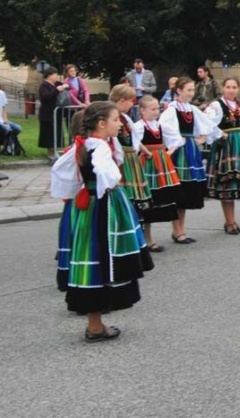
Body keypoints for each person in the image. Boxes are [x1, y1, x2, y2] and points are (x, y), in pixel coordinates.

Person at [49, 101, 154, 342]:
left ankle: (95, 324)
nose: (120, 124)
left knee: (91, 261)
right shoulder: (100, 148)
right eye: (116, 120)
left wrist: (81, 188)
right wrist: (109, 187)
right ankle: (95, 326)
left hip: (88, 208)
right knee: (104, 259)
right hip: (104, 208)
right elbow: (109, 177)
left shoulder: (85, 145)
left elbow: (61, 171)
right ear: (102, 123)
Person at [204, 77, 240, 234]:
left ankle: (232, 221)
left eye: (234, 87)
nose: (231, 90)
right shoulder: (217, 105)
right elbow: (207, 122)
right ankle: (229, 222)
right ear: (223, 88)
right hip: (226, 146)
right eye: (228, 87)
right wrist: (219, 134)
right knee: (227, 183)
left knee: (234, 184)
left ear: (238, 88)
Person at [161, 78, 213, 243]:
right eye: (188, 90)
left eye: (192, 90)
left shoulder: (191, 109)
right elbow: (164, 127)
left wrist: (201, 138)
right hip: (178, 151)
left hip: (190, 149)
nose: (191, 93)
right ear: (179, 91)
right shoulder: (172, 109)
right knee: (179, 188)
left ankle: (181, 229)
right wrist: (177, 141)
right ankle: (177, 230)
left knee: (186, 191)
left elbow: (206, 124)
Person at [108, 84, 159, 252]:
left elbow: (135, 139)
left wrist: (145, 152)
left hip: (132, 160)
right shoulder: (112, 116)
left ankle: (143, 239)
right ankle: (129, 239)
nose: (133, 105)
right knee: (128, 200)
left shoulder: (125, 117)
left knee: (141, 201)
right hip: (123, 161)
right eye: (131, 101)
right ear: (122, 100)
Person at [132, 96, 182, 242]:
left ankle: (177, 231)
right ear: (142, 110)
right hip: (147, 164)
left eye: (157, 109)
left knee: (166, 197)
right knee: (148, 199)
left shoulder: (160, 126)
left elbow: (176, 139)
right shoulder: (139, 126)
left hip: (161, 164)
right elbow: (134, 143)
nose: (156, 112)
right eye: (152, 109)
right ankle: (148, 239)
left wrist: (169, 152)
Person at [38, 67, 70, 160]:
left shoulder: (57, 83)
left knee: (57, 132)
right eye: (55, 74)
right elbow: (45, 97)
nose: (56, 76)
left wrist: (65, 86)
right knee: (49, 134)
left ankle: (57, 150)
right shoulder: (44, 86)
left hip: (57, 113)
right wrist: (57, 90)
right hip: (47, 114)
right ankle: (50, 152)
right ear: (49, 75)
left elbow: (68, 86)